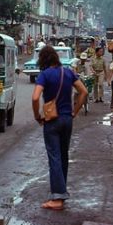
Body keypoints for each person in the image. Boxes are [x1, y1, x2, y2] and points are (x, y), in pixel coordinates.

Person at [32, 46, 88, 211]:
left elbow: (35, 97)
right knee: (63, 156)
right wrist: (74, 111)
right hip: (67, 119)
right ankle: (61, 193)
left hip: (52, 120)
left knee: (54, 157)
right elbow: (83, 92)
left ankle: (57, 197)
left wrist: (37, 116)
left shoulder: (44, 75)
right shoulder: (68, 72)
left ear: (43, 60)